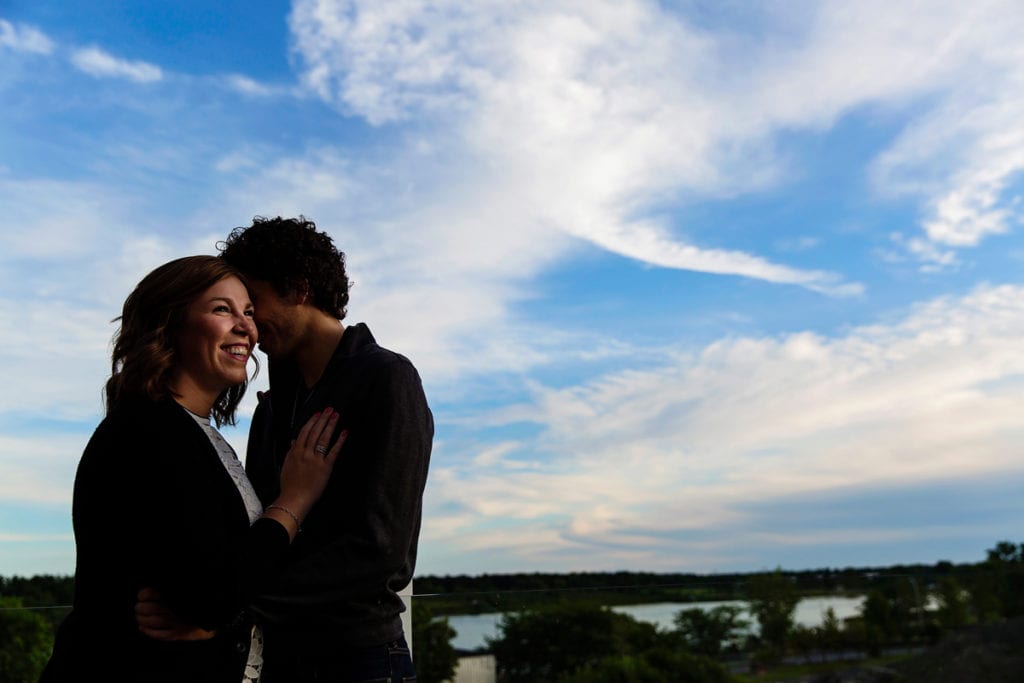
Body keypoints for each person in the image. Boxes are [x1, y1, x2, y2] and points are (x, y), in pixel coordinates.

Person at [41, 255, 346, 682]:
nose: (246, 327)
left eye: (249, 312)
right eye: (222, 309)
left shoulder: (191, 431)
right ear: (170, 324)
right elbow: (212, 597)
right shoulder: (149, 430)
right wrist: (294, 499)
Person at [217, 216, 434, 682]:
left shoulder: (387, 378)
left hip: (360, 659)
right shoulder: (273, 409)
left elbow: (380, 549)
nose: (248, 327)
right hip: (282, 656)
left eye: (254, 305)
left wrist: (229, 609)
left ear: (298, 288)